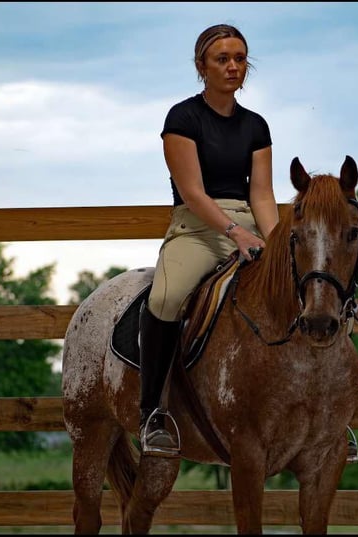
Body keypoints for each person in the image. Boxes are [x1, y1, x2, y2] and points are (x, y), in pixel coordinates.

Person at [138, 23, 279, 457]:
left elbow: (261, 194)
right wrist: (234, 233)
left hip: (248, 224)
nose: (233, 66)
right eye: (222, 59)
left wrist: (275, 245)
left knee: (305, 287)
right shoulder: (182, 118)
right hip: (198, 227)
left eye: (240, 59)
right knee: (167, 297)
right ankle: (152, 412)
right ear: (202, 66)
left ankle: (327, 414)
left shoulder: (256, 126)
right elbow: (193, 192)